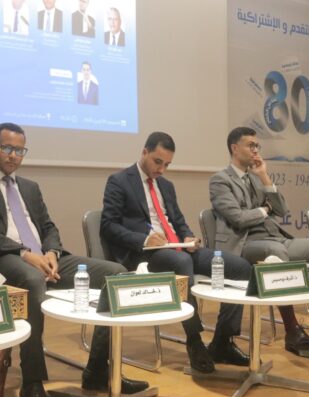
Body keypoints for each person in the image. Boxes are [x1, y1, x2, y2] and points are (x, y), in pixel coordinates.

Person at [0, 123, 149, 397]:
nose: (13, 155)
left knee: (116, 273)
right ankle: (32, 384)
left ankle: (98, 370)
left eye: (20, 150)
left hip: (43, 258)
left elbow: (48, 227)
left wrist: (52, 253)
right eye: (7, 148)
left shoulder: (30, 187)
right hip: (1, 260)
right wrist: (24, 253)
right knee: (33, 281)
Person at [101, 132, 252, 374]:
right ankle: (194, 341)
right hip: (145, 254)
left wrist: (189, 237)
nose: (161, 169)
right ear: (144, 152)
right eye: (157, 162)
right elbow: (108, 226)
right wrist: (144, 239)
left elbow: (178, 222)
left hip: (177, 248)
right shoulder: (119, 181)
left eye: (167, 165)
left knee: (239, 266)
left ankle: (223, 341)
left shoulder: (166, 186)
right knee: (182, 262)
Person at [209, 126, 309, 355]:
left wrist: (264, 176)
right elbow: (238, 219)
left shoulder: (256, 178)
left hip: (277, 238)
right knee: (276, 253)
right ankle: (292, 330)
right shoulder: (220, 180)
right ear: (234, 148)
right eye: (251, 145)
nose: (256, 150)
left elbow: (281, 210)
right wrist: (264, 210)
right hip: (245, 244)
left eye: (257, 145)